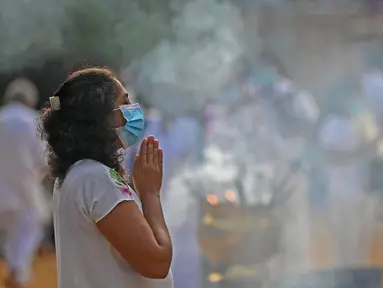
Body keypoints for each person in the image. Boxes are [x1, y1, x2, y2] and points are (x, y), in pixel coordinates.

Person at [37, 67, 173, 288]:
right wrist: (150, 194)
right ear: (102, 118)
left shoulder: (82, 174)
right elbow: (157, 263)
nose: (133, 111)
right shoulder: (95, 178)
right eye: (125, 103)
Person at [0, 78, 50, 288]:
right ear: (30, 100)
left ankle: (14, 268)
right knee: (31, 228)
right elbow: (45, 160)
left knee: (11, 240)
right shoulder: (32, 121)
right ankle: (17, 272)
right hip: (23, 192)